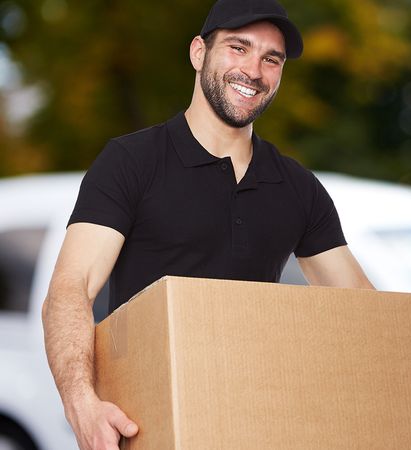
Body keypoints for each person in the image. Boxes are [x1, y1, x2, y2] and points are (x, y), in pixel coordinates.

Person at [42, 0, 374, 448]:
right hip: (148, 425)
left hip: (257, 425)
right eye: (239, 48)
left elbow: (367, 315)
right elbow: (70, 287)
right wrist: (82, 405)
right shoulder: (131, 162)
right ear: (199, 53)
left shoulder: (297, 186)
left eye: (270, 59)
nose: (254, 70)